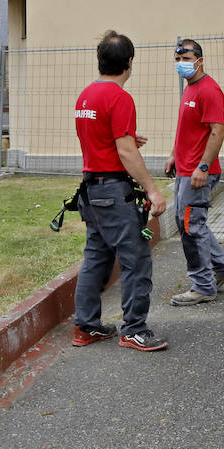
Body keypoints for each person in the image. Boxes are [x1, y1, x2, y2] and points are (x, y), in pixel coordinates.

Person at [72, 30, 170, 352]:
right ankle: (134, 330)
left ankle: (85, 327)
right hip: (113, 192)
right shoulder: (120, 98)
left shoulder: (85, 96)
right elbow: (125, 153)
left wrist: (126, 136)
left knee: (95, 259)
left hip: (91, 191)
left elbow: (100, 137)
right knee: (136, 260)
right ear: (129, 63)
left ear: (100, 61)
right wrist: (153, 191)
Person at [166, 37, 224, 306]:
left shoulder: (209, 90)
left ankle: (202, 285)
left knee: (191, 227)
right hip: (185, 169)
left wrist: (203, 167)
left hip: (198, 172)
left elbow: (217, 131)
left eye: (186, 59)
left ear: (199, 60)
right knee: (188, 224)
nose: (181, 64)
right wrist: (174, 154)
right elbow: (188, 128)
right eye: (177, 59)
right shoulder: (189, 88)